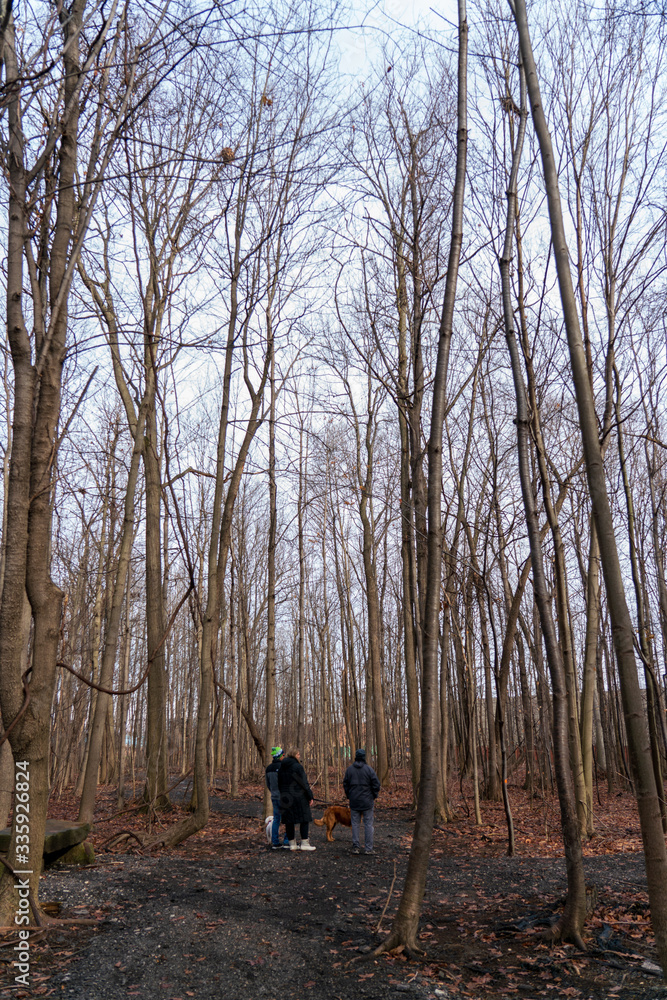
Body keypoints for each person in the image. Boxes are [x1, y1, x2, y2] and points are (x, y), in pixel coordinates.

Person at [343, 748, 381, 855]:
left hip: (354, 801)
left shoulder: (350, 770)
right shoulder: (369, 770)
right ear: (364, 757)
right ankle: (368, 848)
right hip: (367, 801)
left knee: (355, 824)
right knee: (368, 824)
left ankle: (356, 847)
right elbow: (376, 785)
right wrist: (373, 795)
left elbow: (345, 784)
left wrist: (349, 795)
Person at [277, 748, 316, 851]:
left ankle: (292, 844)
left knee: (289, 821)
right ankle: (304, 843)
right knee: (304, 819)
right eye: (298, 754)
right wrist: (310, 796)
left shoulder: (281, 767)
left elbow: (279, 783)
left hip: (285, 797)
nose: (299, 756)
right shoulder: (298, 767)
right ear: (294, 755)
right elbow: (304, 783)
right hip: (299, 797)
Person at [265, 746, 289, 850]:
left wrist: (273, 792)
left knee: (276, 820)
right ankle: (287, 841)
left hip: (274, 796)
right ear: (280, 755)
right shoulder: (284, 767)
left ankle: (275, 841)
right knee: (288, 819)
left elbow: (268, 784)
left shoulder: (268, 768)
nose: (284, 756)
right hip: (284, 797)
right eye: (283, 755)